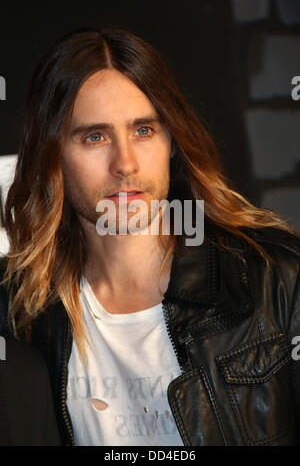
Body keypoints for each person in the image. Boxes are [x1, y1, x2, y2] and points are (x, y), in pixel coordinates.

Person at [0, 26, 299, 447]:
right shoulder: (20, 312)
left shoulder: (275, 279)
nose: (124, 163)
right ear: (54, 156)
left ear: (172, 142)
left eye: (144, 130)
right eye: (95, 137)